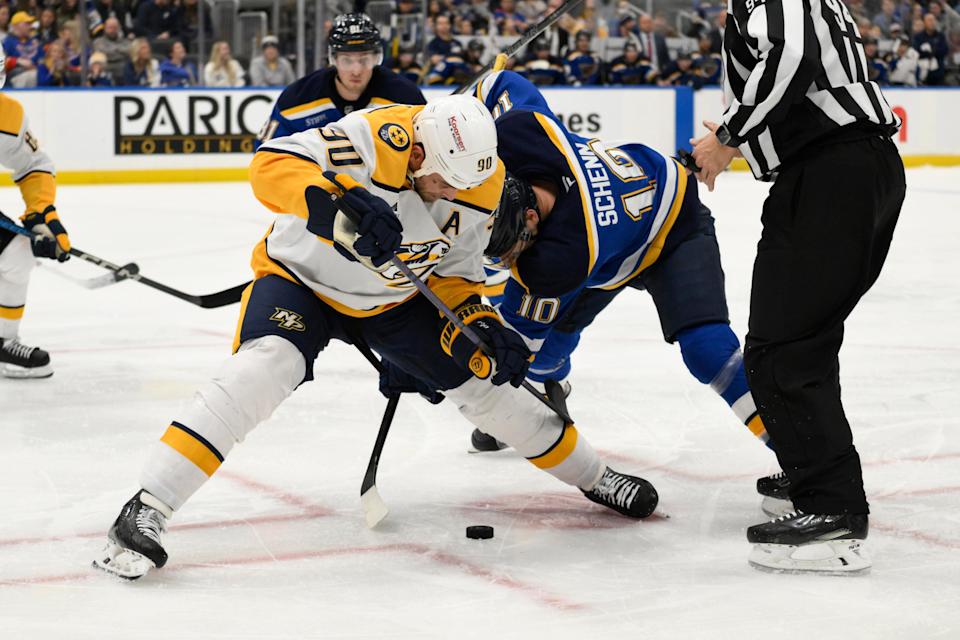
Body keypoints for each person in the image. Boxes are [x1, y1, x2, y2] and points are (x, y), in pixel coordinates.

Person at [92, 95, 659, 580]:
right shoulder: (372, 134)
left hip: (393, 302)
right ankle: (147, 508)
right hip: (301, 280)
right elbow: (269, 166)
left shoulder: (478, 183)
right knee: (266, 366)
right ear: (415, 152)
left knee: (488, 385)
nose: (445, 195)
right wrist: (336, 208)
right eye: (439, 181)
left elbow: (456, 278)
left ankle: (594, 475)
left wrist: (481, 323)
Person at [463, 70, 774, 470]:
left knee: (707, 350)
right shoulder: (521, 131)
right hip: (609, 247)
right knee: (542, 360)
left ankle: (799, 454)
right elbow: (498, 82)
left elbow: (511, 348)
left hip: (674, 226)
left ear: (530, 217)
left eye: (509, 250)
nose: (506, 262)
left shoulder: (555, 263)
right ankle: (544, 389)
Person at [690, 0, 903, 574]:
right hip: (844, 171)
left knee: (784, 347)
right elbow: (798, 80)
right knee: (797, 339)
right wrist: (737, 144)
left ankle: (832, 510)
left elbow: (792, 52)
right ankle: (815, 472)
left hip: (833, 175)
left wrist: (730, 136)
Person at [254, 13, 425, 150]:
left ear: (376, 58)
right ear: (333, 59)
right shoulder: (296, 99)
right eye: (346, 60)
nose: (356, 70)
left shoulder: (406, 98)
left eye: (364, 59)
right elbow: (266, 153)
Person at [0, 53, 71, 378]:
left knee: (17, 254)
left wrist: (41, 212)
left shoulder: (8, 114)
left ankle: (4, 341)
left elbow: (32, 164)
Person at [2, 12, 41, 88]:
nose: (30, 26)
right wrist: (17, 61)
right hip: (17, 75)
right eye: (26, 24)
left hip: (36, 72)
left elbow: (42, 59)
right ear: (16, 26)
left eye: (30, 24)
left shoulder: (35, 41)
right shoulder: (7, 42)